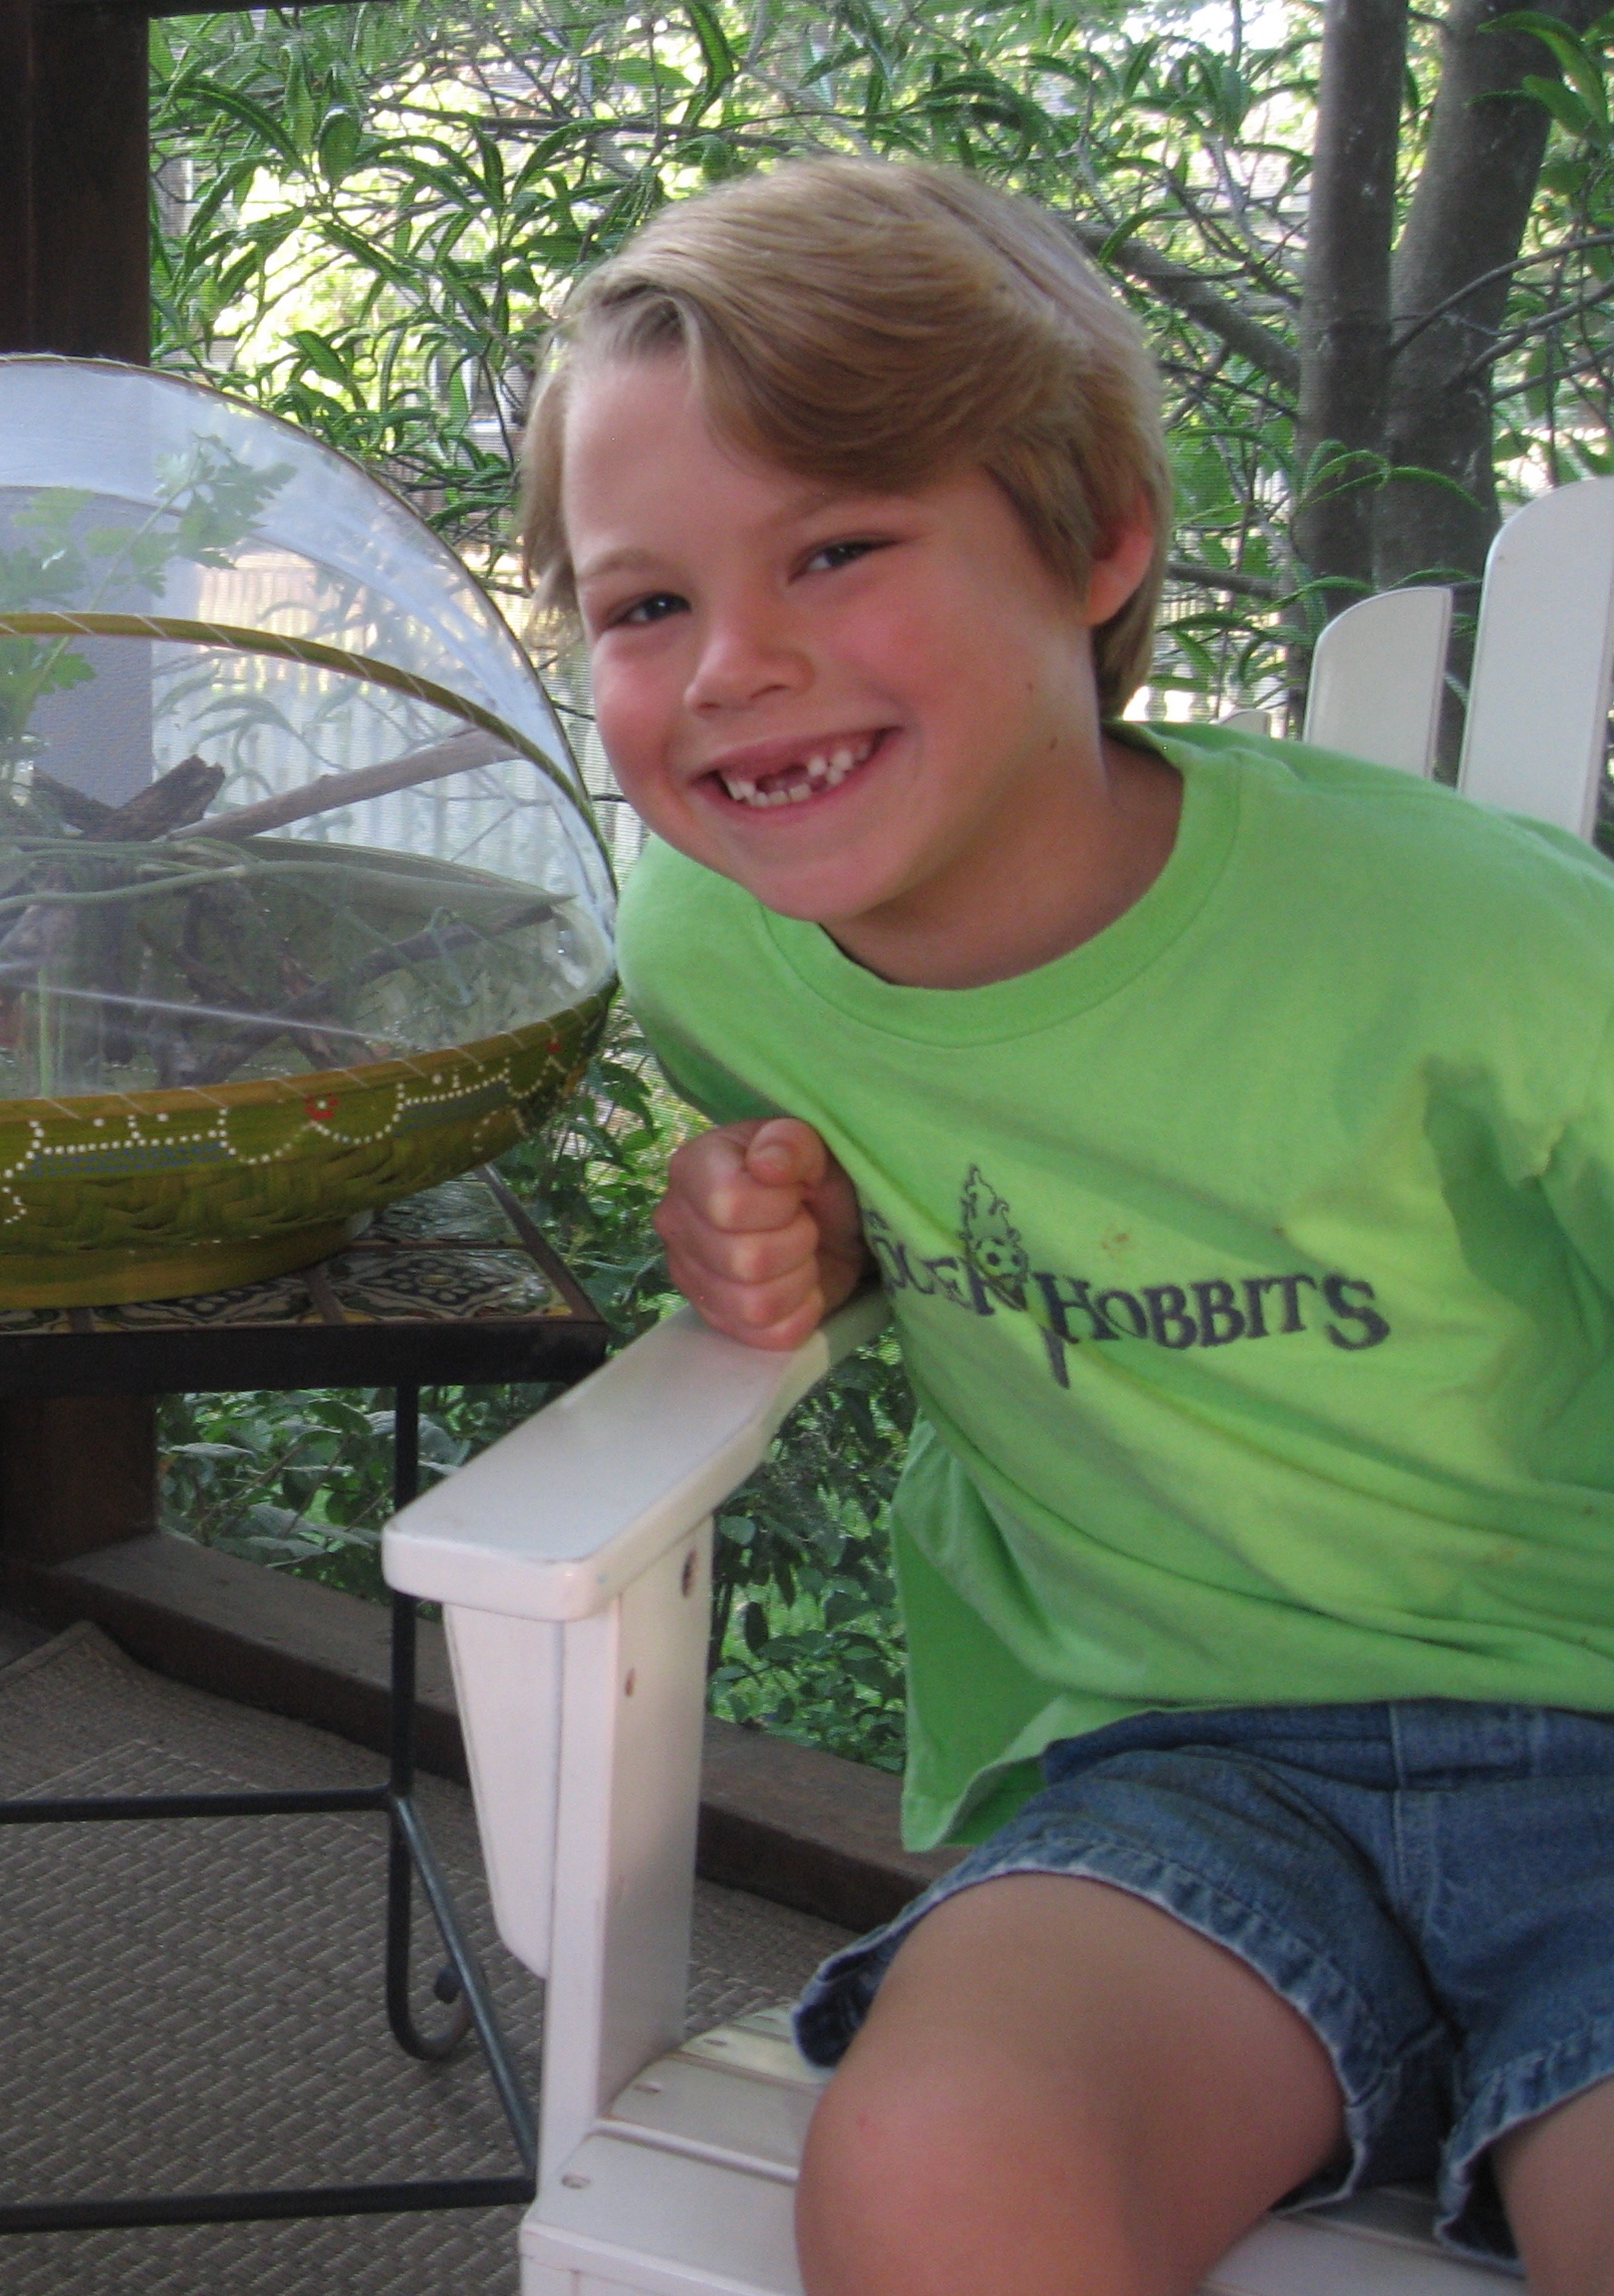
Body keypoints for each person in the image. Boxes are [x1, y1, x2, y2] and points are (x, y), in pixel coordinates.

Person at [528, 157, 1614, 2294]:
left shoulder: (1486, 955)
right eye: (644, 606)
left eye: (837, 548)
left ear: (1099, 536)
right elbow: (918, 1171)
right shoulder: (720, 950)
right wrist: (788, 1232)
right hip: (1168, 1776)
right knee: (938, 2173)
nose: (736, 664)